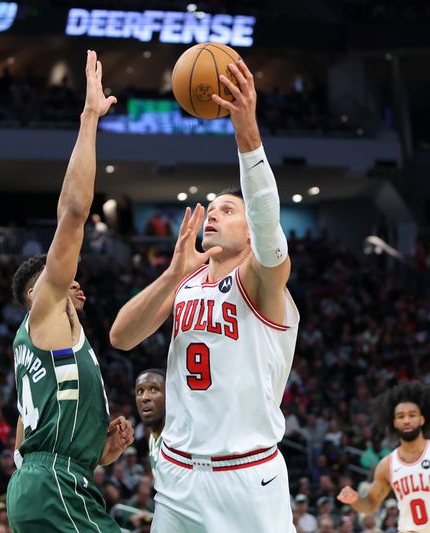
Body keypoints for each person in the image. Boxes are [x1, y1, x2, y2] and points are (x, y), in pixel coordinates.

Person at [110, 58, 299, 532]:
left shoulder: (262, 281)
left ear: (251, 232)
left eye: (227, 209)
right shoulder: (188, 282)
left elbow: (265, 213)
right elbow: (121, 336)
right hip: (177, 475)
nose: (213, 214)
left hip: (247, 477)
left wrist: (247, 133)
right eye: (210, 208)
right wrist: (174, 272)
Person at [5, 50, 133, 533]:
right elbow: (74, 214)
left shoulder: (43, 344)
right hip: (54, 486)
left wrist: (99, 454)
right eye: (58, 277)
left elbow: (26, 439)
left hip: (49, 483)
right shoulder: (46, 312)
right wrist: (89, 118)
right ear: (38, 292)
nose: (72, 279)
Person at [338, 382, 430, 532]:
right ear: (395, 423)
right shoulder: (387, 465)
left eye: (412, 415)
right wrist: (355, 499)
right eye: (401, 416)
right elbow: (369, 505)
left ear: (422, 419)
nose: (407, 420)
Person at [134, 369, 166, 473]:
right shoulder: (152, 439)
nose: (145, 397)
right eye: (140, 391)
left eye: (154, 389)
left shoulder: (181, 437)